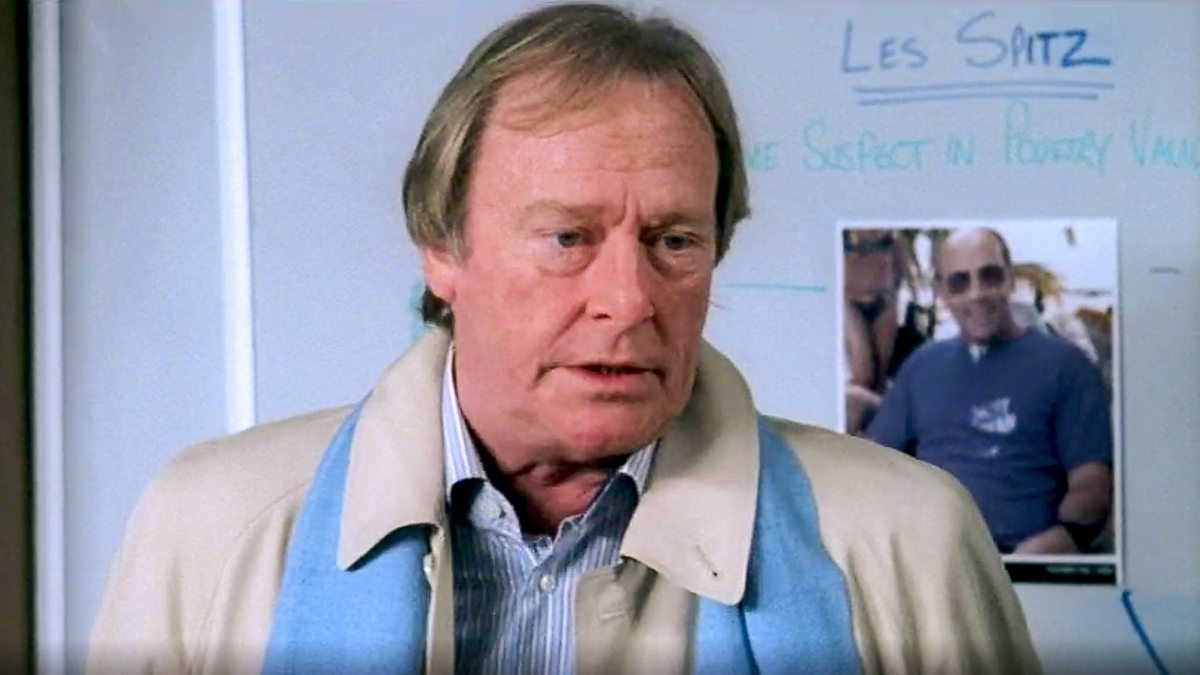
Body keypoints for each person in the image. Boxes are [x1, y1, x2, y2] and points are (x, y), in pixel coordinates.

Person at [89, 5, 1040, 674]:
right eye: (567, 238)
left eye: (674, 241)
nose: (628, 300)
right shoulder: (209, 533)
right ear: (441, 247)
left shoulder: (904, 542)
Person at [868, 228, 1114, 556]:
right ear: (942, 292)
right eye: (959, 282)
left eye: (990, 276)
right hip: (932, 558)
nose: (976, 294)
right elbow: (871, 465)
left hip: (1023, 559)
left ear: (1010, 279)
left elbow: (1091, 483)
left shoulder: (1066, 365)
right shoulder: (922, 366)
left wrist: (1066, 535)